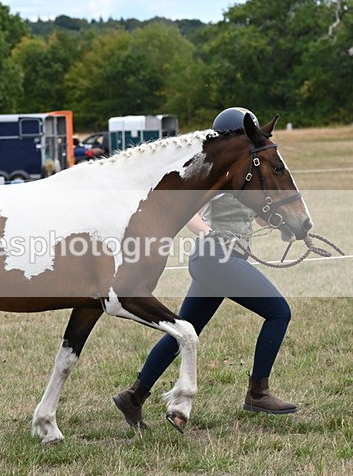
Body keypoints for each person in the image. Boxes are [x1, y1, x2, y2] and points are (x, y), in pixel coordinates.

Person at [113, 107, 298, 431]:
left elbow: (256, 216)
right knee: (279, 312)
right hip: (216, 257)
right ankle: (258, 392)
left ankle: (134, 395)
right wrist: (207, 231)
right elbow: (188, 212)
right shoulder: (213, 171)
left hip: (223, 260)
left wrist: (285, 223)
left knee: (184, 331)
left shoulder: (245, 174)